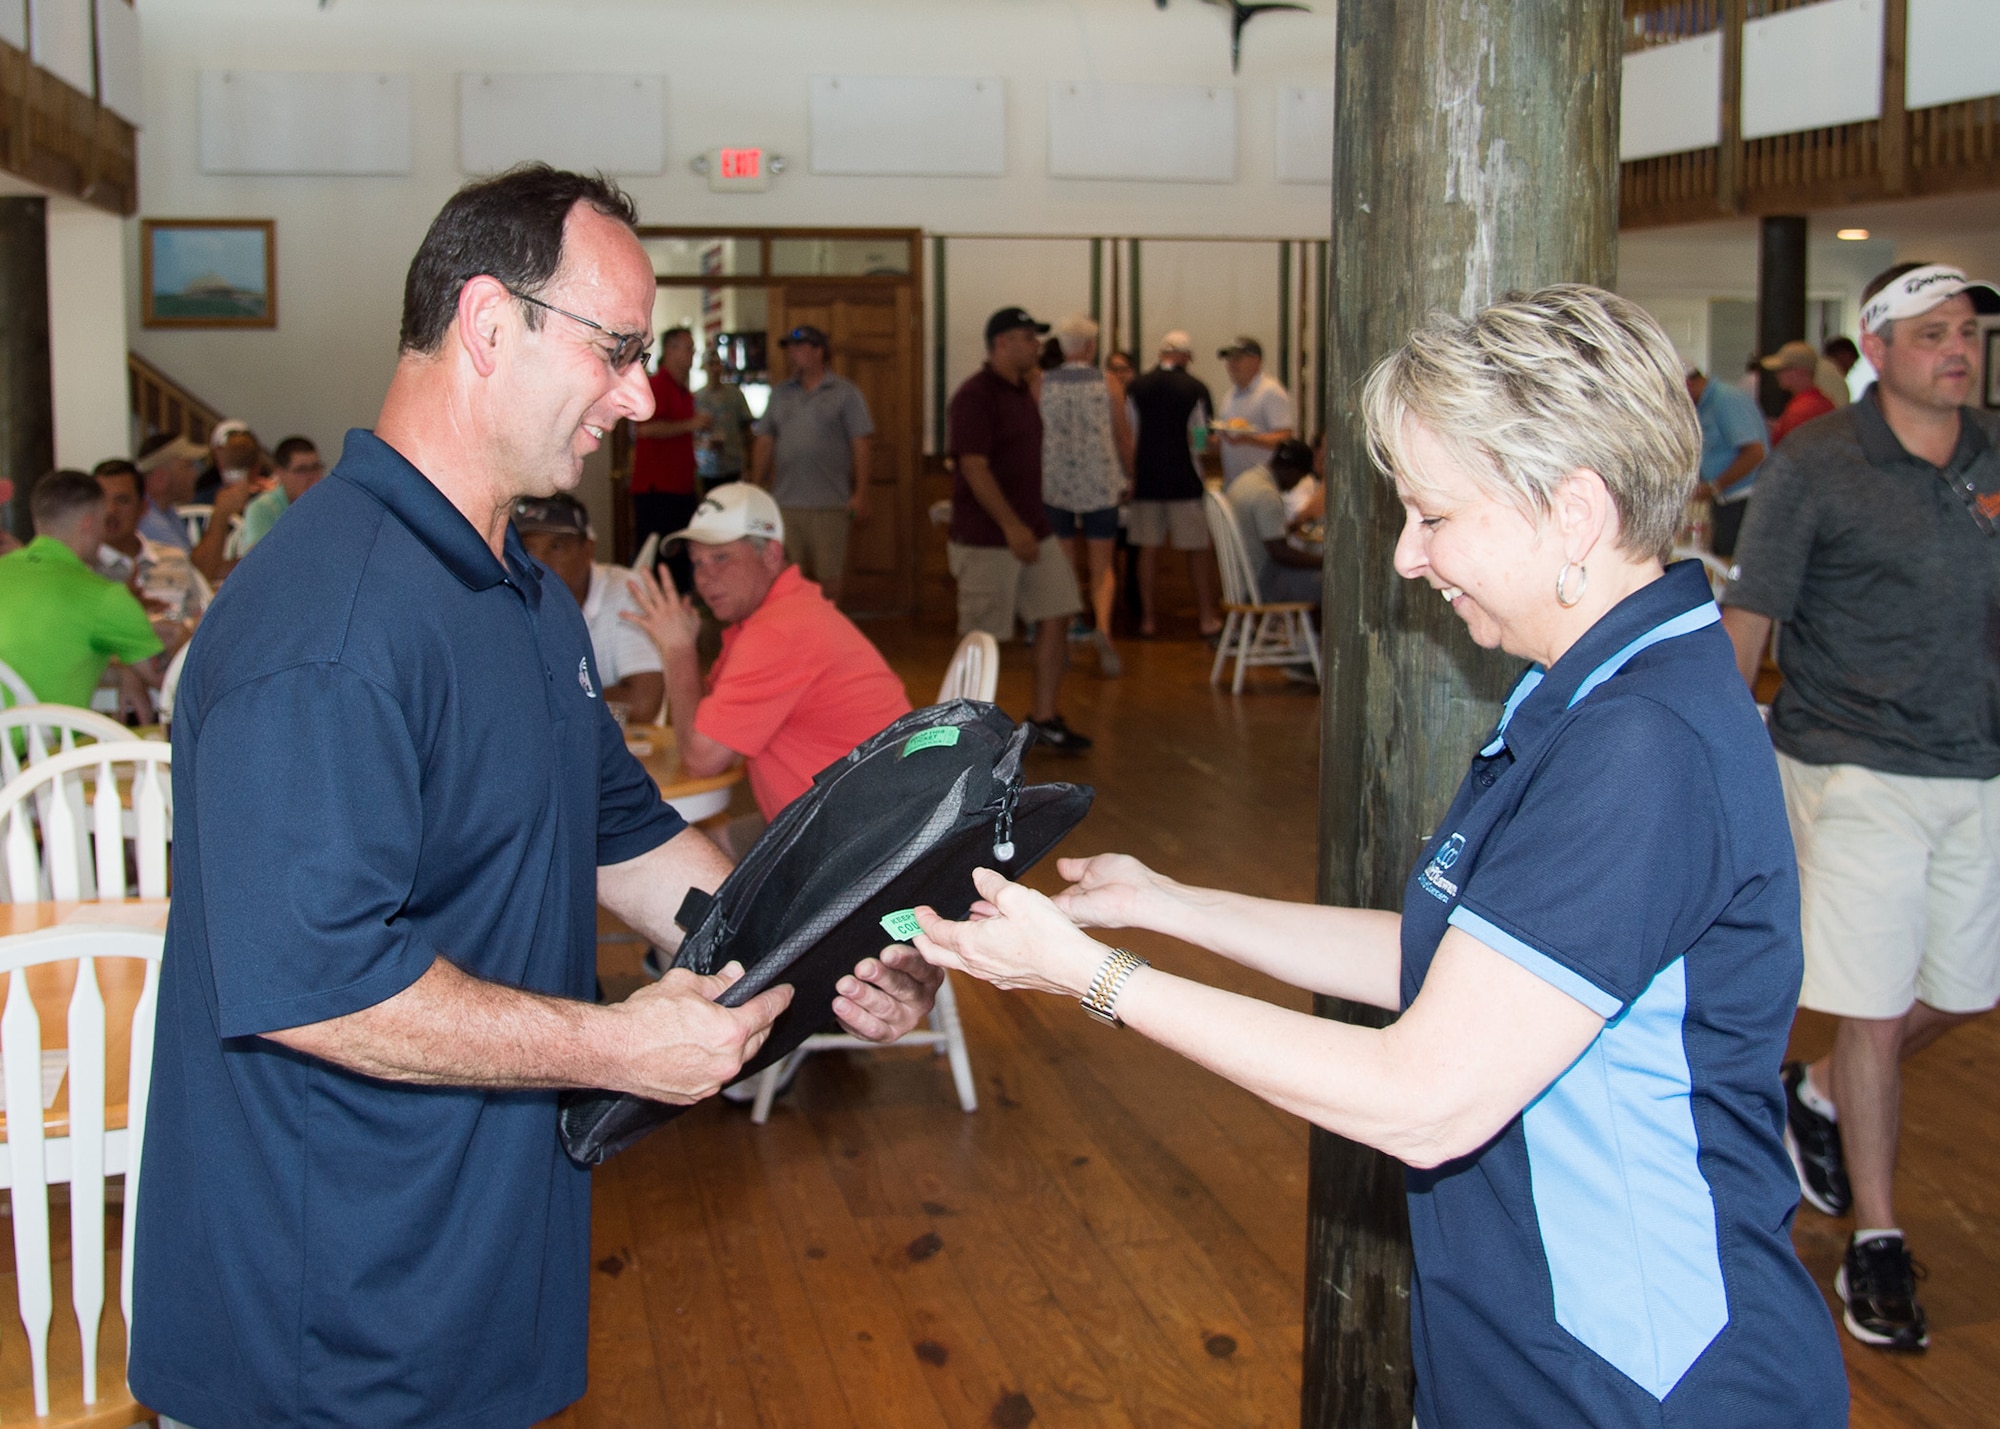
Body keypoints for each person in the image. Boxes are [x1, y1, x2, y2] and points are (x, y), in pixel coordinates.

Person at [914, 285, 1848, 1429]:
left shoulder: (1639, 745)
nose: (1407, 558)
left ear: (1573, 511)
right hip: (1525, 1351)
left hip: (1642, 1381)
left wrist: (1086, 977)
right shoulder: (1598, 688)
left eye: (1432, 516)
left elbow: (1425, 1099)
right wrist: (1170, 904)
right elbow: (1457, 962)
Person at [127, 163, 938, 1429]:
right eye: (617, 349)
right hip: (323, 1321)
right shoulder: (328, 628)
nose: (643, 391)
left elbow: (623, 838)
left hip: (473, 1270)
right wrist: (619, 1042)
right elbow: (318, 984)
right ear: (488, 324)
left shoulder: (508, 587)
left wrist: (828, 954)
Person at [1720, 260, 2000, 1355]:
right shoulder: (1817, 462)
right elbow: (1751, 616)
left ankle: (1819, 1087)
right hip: (1847, 766)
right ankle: (1875, 1240)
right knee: (1875, 1005)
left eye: (1969, 332)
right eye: (1932, 331)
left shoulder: (1989, 456)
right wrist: (1721, 758)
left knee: (1966, 991)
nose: (1959, 349)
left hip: (1973, 764)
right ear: (1872, 350)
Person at [622, 482, 911, 851]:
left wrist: (678, 652)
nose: (704, 577)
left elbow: (702, 758)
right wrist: (684, 647)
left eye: (721, 558)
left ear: (771, 555)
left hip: (859, 847)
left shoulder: (778, 632)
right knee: (687, 848)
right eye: (696, 562)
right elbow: (712, 720)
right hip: (847, 816)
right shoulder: (776, 614)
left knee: (664, 852)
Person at [945, 308, 1093, 754]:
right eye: (1027, 338)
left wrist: (1027, 526)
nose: (1035, 346)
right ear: (1002, 344)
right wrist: (1011, 526)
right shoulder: (974, 396)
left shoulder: (1023, 391)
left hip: (1035, 529)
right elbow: (972, 466)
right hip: (988, 538)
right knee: (982, 636)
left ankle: (1044, 718)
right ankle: (964, 737)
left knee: (1058, 612)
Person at [0, 470, 165, 708]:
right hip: (48, 744)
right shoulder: (105, 596)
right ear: (89, 523)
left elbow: (43, 662)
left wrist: (124, 671)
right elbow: (168, 681)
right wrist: (182, 638)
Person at [749, 324, 874, 605]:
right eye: (790, 348)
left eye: (800, 346)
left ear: (819, 351)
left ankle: (830, 634)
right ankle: (794, 634)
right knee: (786, 576)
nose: (793, 353)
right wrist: (756, 488)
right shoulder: (780, 394)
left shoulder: (844, 393)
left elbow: (861, 444)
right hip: (786, 503)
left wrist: (861, 494)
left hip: (830, 504)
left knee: (829, 577)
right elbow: (765, 440)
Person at [511, 492, 663, 722]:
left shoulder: (626, 591)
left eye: (557, 547)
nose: (539, 563)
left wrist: (545, 703)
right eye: (529, 549)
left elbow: (642, 703)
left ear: (588, 550)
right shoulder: (508, 595)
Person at [1039, 314, 1131, 677]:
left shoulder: (1041, 384)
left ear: (1061, 346)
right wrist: (1131, 473)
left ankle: (1060, 636)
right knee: (1102, 567)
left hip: (1055, 485)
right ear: (1091, 346)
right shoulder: (1107, 383)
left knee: (1062, 566)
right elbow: (1123, 436)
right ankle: (1103, 629)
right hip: (1101, 484)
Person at [1124, 331, 1221, 638]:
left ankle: (1148, 620)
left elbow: (1131, 434)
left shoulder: (1136, 386)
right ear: (1186, 356)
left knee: (1147, 550)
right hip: (1184, 479)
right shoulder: (1195, 388)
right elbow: (1199, 438)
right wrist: (1209, 448)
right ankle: (1207, 617)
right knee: (1197, 548)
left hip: (1146, 481)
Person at [630, 325, 706, 593]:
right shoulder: (657, 386)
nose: (692, 355)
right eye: (688, 349)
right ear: (671, 350)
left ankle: (679, 607)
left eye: (693, 350)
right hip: (658, 489)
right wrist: (690, 424)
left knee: (681, 557)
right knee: (656, 556)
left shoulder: (683, 390)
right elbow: (645, 428)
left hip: (681, 486)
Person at [1224, 437, 1321, 604]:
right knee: (1331, 582)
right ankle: (1317, 631)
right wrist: (1324, 562)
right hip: (1261, 582)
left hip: (1240, 578)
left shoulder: (1246, 480)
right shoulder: (1267, 495)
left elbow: (1257, 532)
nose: (1295, 485)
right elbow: (1280, 553)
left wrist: (1288, 528)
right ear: (1293, 471)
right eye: (1300, 478)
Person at [1685, 366, 1767, 560]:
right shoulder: (1705, 405)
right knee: (1721, 557)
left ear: (1687, 384)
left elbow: (1755, 452)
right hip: (1727, 500)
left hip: (1745, 502)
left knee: (1734, 564)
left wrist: (1715, 486)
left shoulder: (1725, 400)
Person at [1214, 336, 1295, 484]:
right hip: (1233, 483)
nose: (1231, 364)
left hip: (1262, 486)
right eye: (1229, 359)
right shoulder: (1230, 396)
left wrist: (1249, 439)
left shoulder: (1270, 392)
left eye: (1237, 359)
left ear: (1256, 360)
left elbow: (1285, 437)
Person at [230, 436, 326, 558]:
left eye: (316, 468)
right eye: (302, 470)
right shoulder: (261, 509)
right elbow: (259, 561)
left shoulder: (326, 504)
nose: (312, 477)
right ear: (280, 473)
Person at [695, 349, 755, 491]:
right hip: (706, 467)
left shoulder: (735, 395)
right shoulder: (697, 398)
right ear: (704, 367)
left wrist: (749, 464)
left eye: (717, 364)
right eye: (710, 364)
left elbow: (747, 430)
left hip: (733, 463)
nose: (714, 368)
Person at [133, 432, 204, 552]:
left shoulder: (166, 511)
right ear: (160, 477)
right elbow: (190, 568)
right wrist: (220, 517)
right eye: (187, 466)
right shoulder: (147, 520)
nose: (195, 474)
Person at [1761, 340, 1837, 447]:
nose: (1777, 374)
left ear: (1799, 371)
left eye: (1782, 369)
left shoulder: (1801, 410)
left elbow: (1793, 455)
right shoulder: (1823, 402)